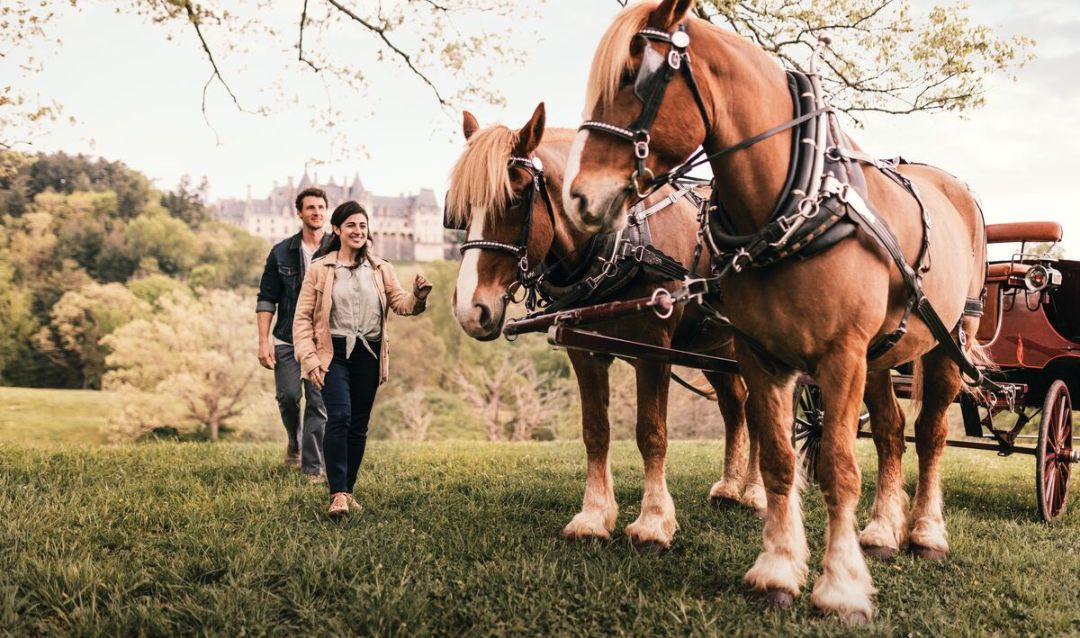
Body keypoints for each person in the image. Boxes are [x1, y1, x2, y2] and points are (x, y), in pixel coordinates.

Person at [293, 200, 432, 517]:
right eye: (352, 225)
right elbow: (301, 321)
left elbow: (402, 305)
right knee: (339, 416)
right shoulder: (320, 270)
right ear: (337, 229)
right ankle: (337, 494)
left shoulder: (382, 268)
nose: (358, 231)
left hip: (370, 354)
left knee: (359, 425)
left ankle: (347, 490)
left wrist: (419, 297)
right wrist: (310, 359)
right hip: (334, 354)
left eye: (363, 226)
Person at [256, 187, 334, 482]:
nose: (316, 212)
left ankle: (313, 468)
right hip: (287, 339)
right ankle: (294, 441)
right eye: (310, 207)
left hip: (322, 343)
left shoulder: (338, 250)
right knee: (288, 397)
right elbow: (266, 299)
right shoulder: (280, 252)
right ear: (299, 213)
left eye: (321, 207)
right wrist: (264, 341)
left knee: (318, 402)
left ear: (327, 212)